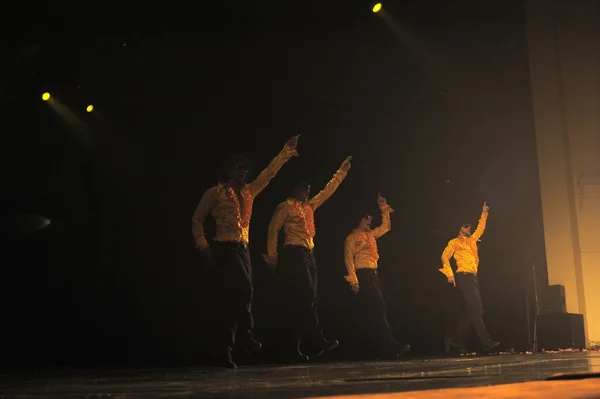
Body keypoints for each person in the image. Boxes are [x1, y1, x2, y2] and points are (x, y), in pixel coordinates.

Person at [192, 135, 300, 369]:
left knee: (236, 299)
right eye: (238, 169)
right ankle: (246, 336)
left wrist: (285, 151)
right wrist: (203, 245)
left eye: (245, 169)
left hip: (243, 248)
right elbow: (197, 219)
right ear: (229, 171)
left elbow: (269, 174)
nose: (243, 173)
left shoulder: (249, 192)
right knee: (244, 288)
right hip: (224, 246)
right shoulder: (215, 193)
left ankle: (225, 351)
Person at [265, 156, 352, 361]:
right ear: (295, 189)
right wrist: (272, 257)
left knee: (305, 302)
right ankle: (316, 339)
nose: (308, 192)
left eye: (309, 189)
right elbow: (272, 230)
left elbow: (327, 192)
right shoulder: (284, 207)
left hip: (309, 255)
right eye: (304, 188)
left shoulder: (309, 207)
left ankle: (293, 347)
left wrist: (341, 172)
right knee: (307, 296)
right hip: (294, 254)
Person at [343, 194, 410, 359]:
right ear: (359, 219)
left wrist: (383, 208)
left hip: (374, 275)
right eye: (366, 218)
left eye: (370, 219)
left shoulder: (371, 235)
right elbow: (348, 259)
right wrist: (354, 280)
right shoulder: (351, 238)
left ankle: (376, 349)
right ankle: (392, 346)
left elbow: (386, 226)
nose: (369, 221)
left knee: (372, 313)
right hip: (363, 275)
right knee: (379, 309)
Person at [439, 201, 500, 354]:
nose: (468, 228)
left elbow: (481, 228)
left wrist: (484, 213)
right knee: (478, 309)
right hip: (463, 277)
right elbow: (444, 257)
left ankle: (455, 341)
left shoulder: (472, 241)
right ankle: (486, 342)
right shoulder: (454, 242)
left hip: (472, 277)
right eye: (465, 226)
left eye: (468, 226)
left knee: (471, 313)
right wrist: (450, 274)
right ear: (459, 228)